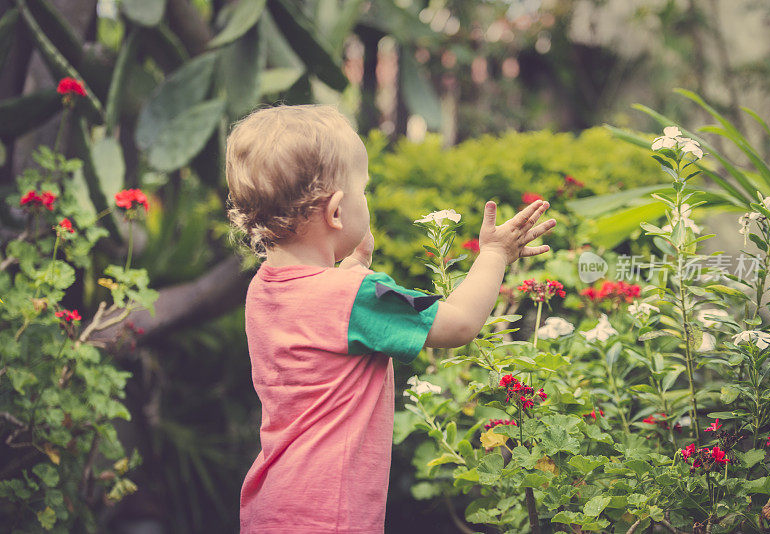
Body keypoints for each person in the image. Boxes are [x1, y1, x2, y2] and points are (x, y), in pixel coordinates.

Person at [225, 104, 556, 533]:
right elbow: (458, 324)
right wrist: (495, 254)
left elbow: (322, 326)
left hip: (276, 506)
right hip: (333, 516)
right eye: (363, 189)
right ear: (337, 212)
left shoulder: (265, 289)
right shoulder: (356, 298)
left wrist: (349, 274)